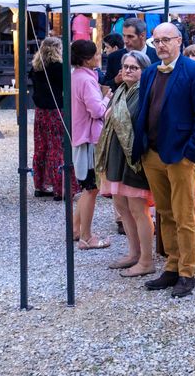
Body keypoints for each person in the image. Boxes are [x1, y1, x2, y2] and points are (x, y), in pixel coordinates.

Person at [132, 22, 195, 298]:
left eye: (167, 39)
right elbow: (144, 109)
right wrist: (141, 148)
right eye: (157, 41)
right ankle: (171, 265)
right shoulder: (150, 72)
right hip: (152, 153)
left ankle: (187, 272)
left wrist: (191, 153)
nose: (162, 45)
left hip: (180, 155)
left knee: (184, 215)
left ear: (180, 41)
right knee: (164, 213)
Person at [96, 50, 155, 276]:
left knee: (138, 208)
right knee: (121, 207)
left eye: (134, 67)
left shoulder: (145, 93)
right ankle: (133, 253)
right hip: (116, 156)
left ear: (144, 70)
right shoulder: (121, 90)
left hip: (133, 158)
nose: (128, 70)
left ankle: (147, 260)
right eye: (126, 66)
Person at [71, 39, 113, 250]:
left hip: (80, 137)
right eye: (96, 54)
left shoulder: (76, 76)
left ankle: (77, 228)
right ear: (87, 59)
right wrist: (107, 99)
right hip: (89, 140)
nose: (100, 56)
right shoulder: (86, 80)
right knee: (91, 188)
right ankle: (87, 237)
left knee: (87, 187)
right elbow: (97, 111)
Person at [29, 37, 79, 200]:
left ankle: (40, 185)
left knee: (41, 146)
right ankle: (60, 188)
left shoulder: (35, 67)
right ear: (58, 49)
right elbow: (68, 86)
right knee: (58, 147)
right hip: (56, 110)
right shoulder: (59, 67)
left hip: (40, 111)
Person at [102, 18, 159, 89]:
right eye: (124, 36)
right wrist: (115, 80)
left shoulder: (158, 56)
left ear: (142, 35)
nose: (125, 41)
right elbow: (105, 85)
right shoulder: (114, 57)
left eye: (130, 36)